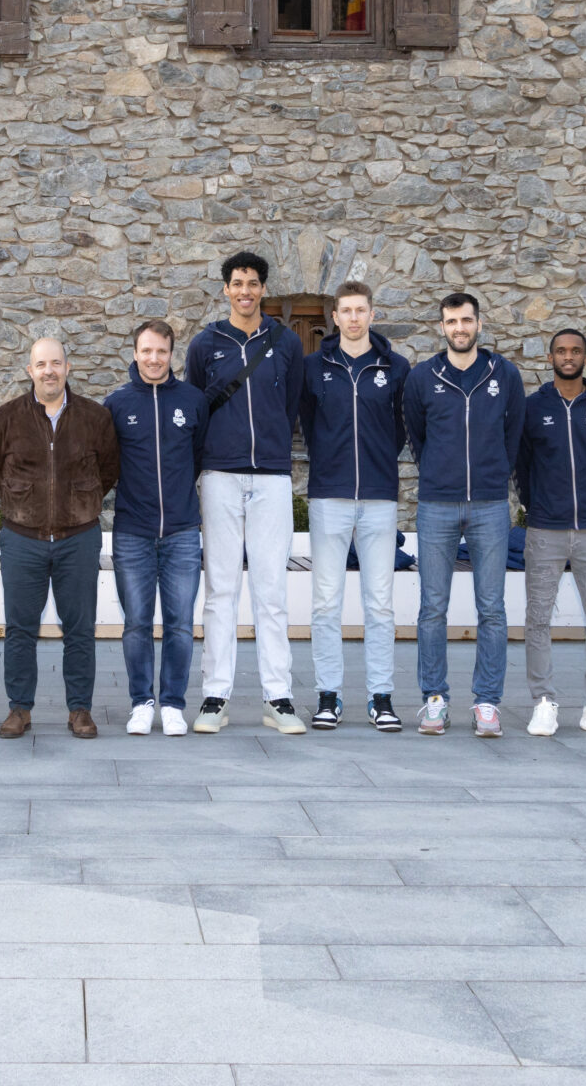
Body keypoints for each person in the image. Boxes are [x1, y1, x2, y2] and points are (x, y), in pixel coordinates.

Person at [184, 251, 307, 734]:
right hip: (219, 476)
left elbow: (291, 404)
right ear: (225, 289)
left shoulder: (286, 342)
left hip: (273, 477)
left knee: (271, 590)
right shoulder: (205, 344)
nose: (245, 291)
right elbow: (196, 407)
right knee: (220, 590)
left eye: (253, 283)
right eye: (237, 283)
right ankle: (215, 696)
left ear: (263, 289)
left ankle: (279, 697)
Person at [0, 337, 120, 738]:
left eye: (56, 363)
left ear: (68, 368)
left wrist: (80, 503)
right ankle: (19, 709)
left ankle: (80, 710)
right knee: (20, 628)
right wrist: (21, 504)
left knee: (80, 628)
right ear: (30, 370)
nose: (49, 371)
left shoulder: (95, 418)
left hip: (79, 537)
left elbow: (108, 470)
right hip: (23, 538)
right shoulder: (6, 419)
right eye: (41, 364)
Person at [402, 291, 523, 736]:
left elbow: (514, 434)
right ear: (442, 326)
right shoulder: (422, 377)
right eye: (452, 321)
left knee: (491, 607)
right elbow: (417, 434)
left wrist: (494, 475)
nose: (460, 328)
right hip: (436, 503)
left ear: (478, 323)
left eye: (466, 320)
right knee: (433, 606)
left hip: (490, 504)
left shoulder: (503, 374)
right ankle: (434, 699)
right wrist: (438, 472)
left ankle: (487, 702)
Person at [299, 280, 409, 732]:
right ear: (335, 317)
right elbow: (307, 423)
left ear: (372, 314)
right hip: (329, 496)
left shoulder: (396, 368)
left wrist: (380, 460)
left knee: (380, 604)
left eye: (360, 310)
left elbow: (402, 427)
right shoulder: (314, 367)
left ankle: (381, 697)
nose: (353, 318)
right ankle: (329, 695)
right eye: (345, 310)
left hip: (379, 498)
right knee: (326, 603)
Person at [515, 327, 586, 738]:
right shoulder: (532, 408)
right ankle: (543, 701)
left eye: (575, 350)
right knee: (538, 619)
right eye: (561, 350)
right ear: (550, 358)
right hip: (545, 529)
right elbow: (522, 466)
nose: (568, 356)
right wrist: (535, 504)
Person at [105, 320, 206, 737]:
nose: (153, 359)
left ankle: (173, 703)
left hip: (182, 530)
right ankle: (142, 702)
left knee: (180, 623)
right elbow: (108, 464)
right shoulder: (116, 404)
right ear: (134, 353)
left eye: (161, 351)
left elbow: (197, 457)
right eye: (146, 351)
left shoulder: (193, 401)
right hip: (133, 530)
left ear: (171, 355)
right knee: (136, 623)